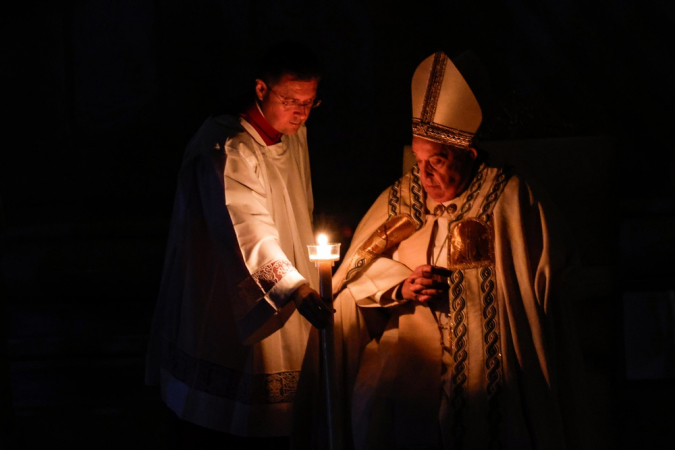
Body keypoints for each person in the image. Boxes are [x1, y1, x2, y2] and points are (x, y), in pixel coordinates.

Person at [292, 51, 592, 449]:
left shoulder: (510, 199)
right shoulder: (402, 197)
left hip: (491, 362)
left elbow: (553, 282)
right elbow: (351, 279)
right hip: (409, 361)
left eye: (436, 160)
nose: (423, 175)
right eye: (417, 161)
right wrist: (401, 287)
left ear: (468, 156)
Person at [145, 42, 331, 449]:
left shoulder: (293, 134)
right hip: (231, 289)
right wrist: (294, 287)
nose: (301, 112)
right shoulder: (228, 146)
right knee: (237, 406)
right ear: (261, 89)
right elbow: (245, 228)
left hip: (288, 274)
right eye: (291, 100)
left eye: (310, 102)